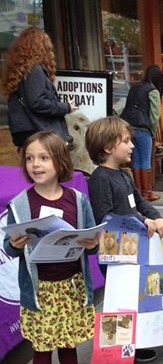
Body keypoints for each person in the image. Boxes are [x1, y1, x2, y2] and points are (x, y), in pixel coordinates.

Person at [3, 131, 98, 364]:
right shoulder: (20, 204)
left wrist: (92, 244)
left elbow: (92, 240)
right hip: (40, 291)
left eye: (43, 158)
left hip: (70, 288)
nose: (35, 164)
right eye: (29, 158)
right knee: (41, 350)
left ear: (60, 160)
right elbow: (10, 246)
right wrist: (14, 245)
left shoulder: (77, 199)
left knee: (68, 346)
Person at [85, 116, 163, 362]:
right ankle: (117, 351)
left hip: (133, 247)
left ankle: (135, 343)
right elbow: (106, 217)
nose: (132, 145)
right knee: (120, 299)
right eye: (126, 141)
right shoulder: (100, 178)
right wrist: (143, 222)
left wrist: (156, 216)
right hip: (114, 252)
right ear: (108, 147)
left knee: (136, 297)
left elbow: (139, 201)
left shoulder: (124, 174)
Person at [1, 27, 77, 149]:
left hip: (24, 130)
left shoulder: (19, 71)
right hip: (37, 131)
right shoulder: (34, 70)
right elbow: (37, 102)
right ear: (42, 48)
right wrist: (66, 107)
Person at [120, 64, 163, 201]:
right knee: (145, 159)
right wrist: (153, 129)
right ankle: (147, 192)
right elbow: (154, 115)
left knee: (136, 158)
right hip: (144, 127)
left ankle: (138, 191)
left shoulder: (134, 87)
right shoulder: (153, 90)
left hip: (129, 126)